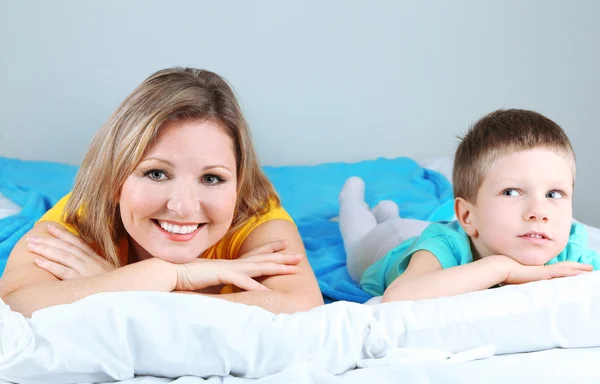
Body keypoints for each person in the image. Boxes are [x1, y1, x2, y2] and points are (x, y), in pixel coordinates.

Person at [0, 67, 323, 317]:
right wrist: (172, 274)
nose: (183, 207)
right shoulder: (80, 218)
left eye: (212, 178)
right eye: (156, 173)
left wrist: (122, 283)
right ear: (113, 180)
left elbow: (303, 307)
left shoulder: (258, 217)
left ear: (239, 185)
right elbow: (14, 304)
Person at [339, 109, 599, 302]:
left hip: (432, 228)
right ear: (467, 215)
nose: (539, 212)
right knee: (357, 243)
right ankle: (351, 202)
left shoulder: (570, 251)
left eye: (554, 194)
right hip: (392, 242)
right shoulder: (445, 246)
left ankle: (387, 211)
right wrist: (502, 268)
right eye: (511, 192)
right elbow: (398, 297)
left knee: (394, 216)